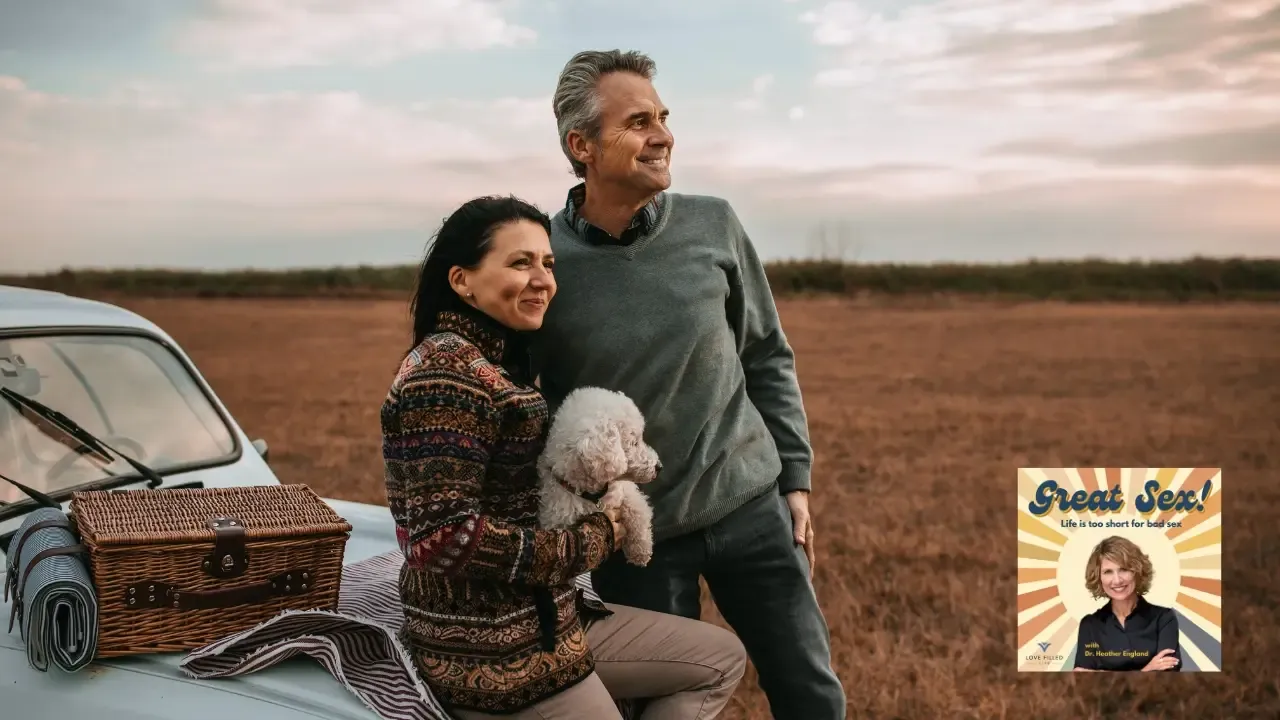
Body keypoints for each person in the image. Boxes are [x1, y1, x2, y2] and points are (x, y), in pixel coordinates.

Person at [531, 50, 847, 719]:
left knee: (810, 692)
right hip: (638, 541)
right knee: (659, 708)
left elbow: (765, 354)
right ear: (580, 145)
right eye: (638, 121)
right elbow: (532, 408)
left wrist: (795, 479)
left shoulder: (715, 224)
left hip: (752, 508)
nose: (664, 135)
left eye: (664, 117)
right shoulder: (545, 263)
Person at [381, 194, 747, 719]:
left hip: (544, 618)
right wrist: (597, 538)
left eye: (548, 263)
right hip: (494, 652)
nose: (543, 279)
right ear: (462, 280)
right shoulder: (446, 376)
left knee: (719, 658)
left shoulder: (490, 359)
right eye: (519, 262)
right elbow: (443, 538)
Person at [1072, 536, 1181, 672]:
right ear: (1099, 578)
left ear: (1137, 571)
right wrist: (1147, 670)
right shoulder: (1090, 626)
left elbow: (1166, 677)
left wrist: (1102, 675)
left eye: (1123, 569)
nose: (1117, 580)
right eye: (1108, 572)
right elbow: (1083, 681)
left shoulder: (1164, 619)